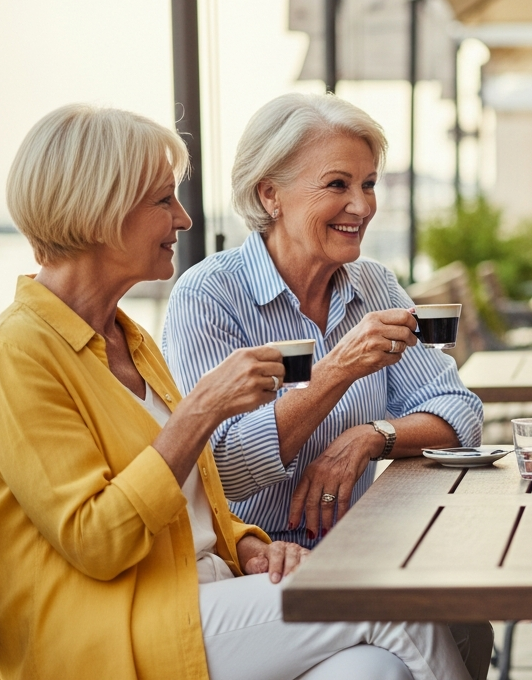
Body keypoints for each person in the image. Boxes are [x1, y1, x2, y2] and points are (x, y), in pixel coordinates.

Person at [0, 104, 488, 679]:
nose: (184, 219)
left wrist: (248, 546)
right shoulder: (16, 354)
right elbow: (98, 541)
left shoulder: (127, 339)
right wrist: (205, 406)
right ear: (99, 212)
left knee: (373, 671)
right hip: (116, 631)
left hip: (206, 592)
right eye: (164, 200)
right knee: (388, 602)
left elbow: (196, 498)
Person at [162, 93, 483, 548]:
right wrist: (339, 368)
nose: (362, 206)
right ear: (269, 193)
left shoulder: (373, 284)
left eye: (368, 184)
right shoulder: (209, 295)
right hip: (259, 557)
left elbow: (460, 413)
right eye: (337, 184)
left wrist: (370, 438)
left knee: (460, 605)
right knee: (436, 614)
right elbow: (221, 468)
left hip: (364, 542)